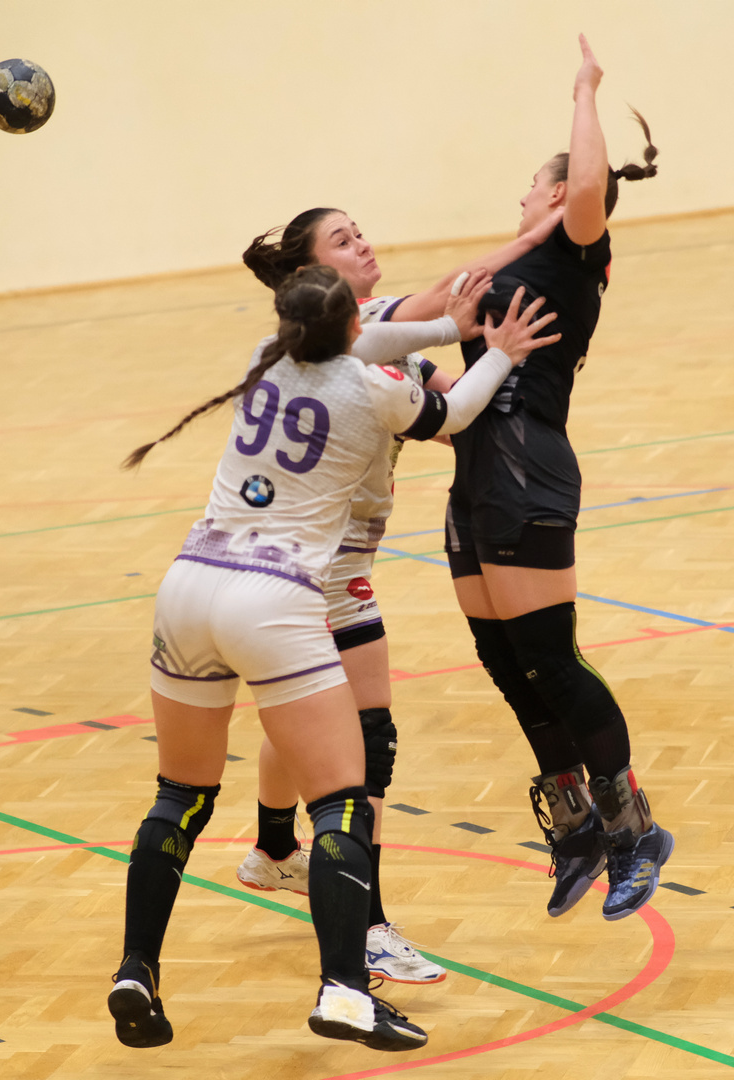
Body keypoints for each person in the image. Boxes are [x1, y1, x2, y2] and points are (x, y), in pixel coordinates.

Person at [109, 264, 557, 1051]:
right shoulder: (376, 390)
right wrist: (501, 350)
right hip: (273, 599)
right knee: (342, 802)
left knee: (178, 795)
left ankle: (135, 968)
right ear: (354, 324)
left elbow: (355, 341)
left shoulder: (264, 357)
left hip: (188, 584)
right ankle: (346, 990)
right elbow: (456, 412)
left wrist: (447, 326)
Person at [231, 206, 565, 985]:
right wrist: (536, 240)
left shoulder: (336, 342)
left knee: (307, 712)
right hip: (327, 575)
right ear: (314, 273)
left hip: (276, 569)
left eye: (360, 233)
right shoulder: (365, 332)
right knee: (366, 743)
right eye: (343, 241)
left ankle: (274, 847)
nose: (363, 244)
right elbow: (450, 324)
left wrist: (515, 389)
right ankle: (368, 927)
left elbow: (446, 406)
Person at [439, 35, 669, 922]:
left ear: (569, 194)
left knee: (552, 659)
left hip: (526, 466)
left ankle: (635, 830)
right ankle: (575, 826)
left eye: (537, 187)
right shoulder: (514, 260)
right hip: (474, 472)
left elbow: (584, 185)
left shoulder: (574, 249)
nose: (526, 197)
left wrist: (584, 89)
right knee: (507, 661)